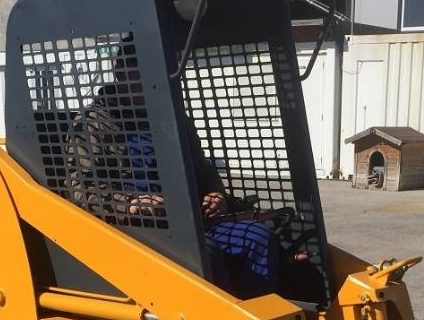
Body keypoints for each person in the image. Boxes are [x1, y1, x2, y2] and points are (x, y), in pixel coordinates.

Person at [66, 62, 281, 298]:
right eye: (142, 70)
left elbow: (203, 168)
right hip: (138, 227)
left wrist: (213, 193)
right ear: (121, 73)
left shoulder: (173, 117)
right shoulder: (94, 122)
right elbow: (81, 187)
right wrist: (129, 203)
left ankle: (267, 316)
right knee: (203, 253)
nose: (150, 80)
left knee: (258, 238)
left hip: (189, 219)